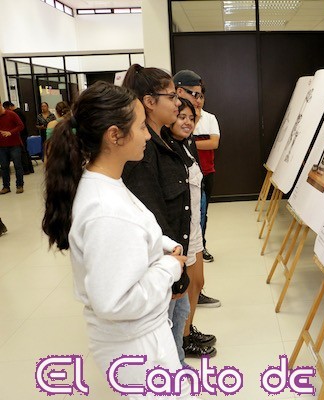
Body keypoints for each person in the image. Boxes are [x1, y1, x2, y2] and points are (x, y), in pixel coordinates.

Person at [41, 81, 193, 399]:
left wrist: (163, 244)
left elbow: (132, 230)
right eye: (141, 127)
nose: (148, 135)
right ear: (114, 135)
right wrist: (169, 267)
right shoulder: (105, 209)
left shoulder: (107, 183)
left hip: (139, 338)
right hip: (136, 346)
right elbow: (116, 301)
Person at [121, 64, 216, 363]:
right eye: (172, 96)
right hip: (164, 262)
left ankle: (177, 366)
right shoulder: (144, 150)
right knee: (165, 332)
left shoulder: (165, 139)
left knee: (177, 320)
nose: (179, 103)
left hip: (175, 256)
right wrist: (172, 270)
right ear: (150, 102)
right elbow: (154, 216)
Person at [167, 97, 218, 357]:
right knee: (185, 288)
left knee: (197, 282)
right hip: (182, 230)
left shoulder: (187, 145)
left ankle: (187, 330)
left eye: (191, 118)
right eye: (181, 117)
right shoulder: (167, 148)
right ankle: (182, 339)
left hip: (194, 225)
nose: (187, 122)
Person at [173, 69, 222, 307]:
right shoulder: (170, 132)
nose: (198, 99)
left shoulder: (206, 120)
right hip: (179, 216)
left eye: (201, 95)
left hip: (201, 179)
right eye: (194, 94)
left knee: (202, 216)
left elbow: (214, 142)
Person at [0, 100, 25, 194]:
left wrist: (10, 132)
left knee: (17, 165)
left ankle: (19, 185)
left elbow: (21, 126)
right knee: (4, 167)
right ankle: (6, 187)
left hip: (14, 145)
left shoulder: (11, 114)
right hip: (1, 146)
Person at [2, 101, 33, 174]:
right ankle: (29, 168)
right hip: (23, 134)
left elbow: (20, 125)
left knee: (22, 152)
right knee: (25, 151)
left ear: (10, 107)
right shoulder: (19, 111)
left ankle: (26, 169)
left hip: (21, 134)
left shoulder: (16, 113)